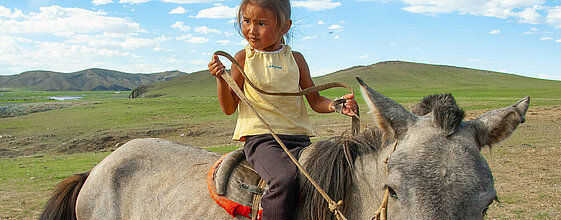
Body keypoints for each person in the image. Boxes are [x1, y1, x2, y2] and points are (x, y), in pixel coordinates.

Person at [208, 0, 357, 219]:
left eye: (261, 23)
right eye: (246, 21)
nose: (251, 30)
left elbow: (315, 101)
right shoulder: (243, 58)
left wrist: (337, 105)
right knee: (284, 180)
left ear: (284, 26)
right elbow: (229, 108)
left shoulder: (296, 59)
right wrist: (222, 79)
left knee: (330, 176)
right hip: (262, 140)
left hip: (299, 140)